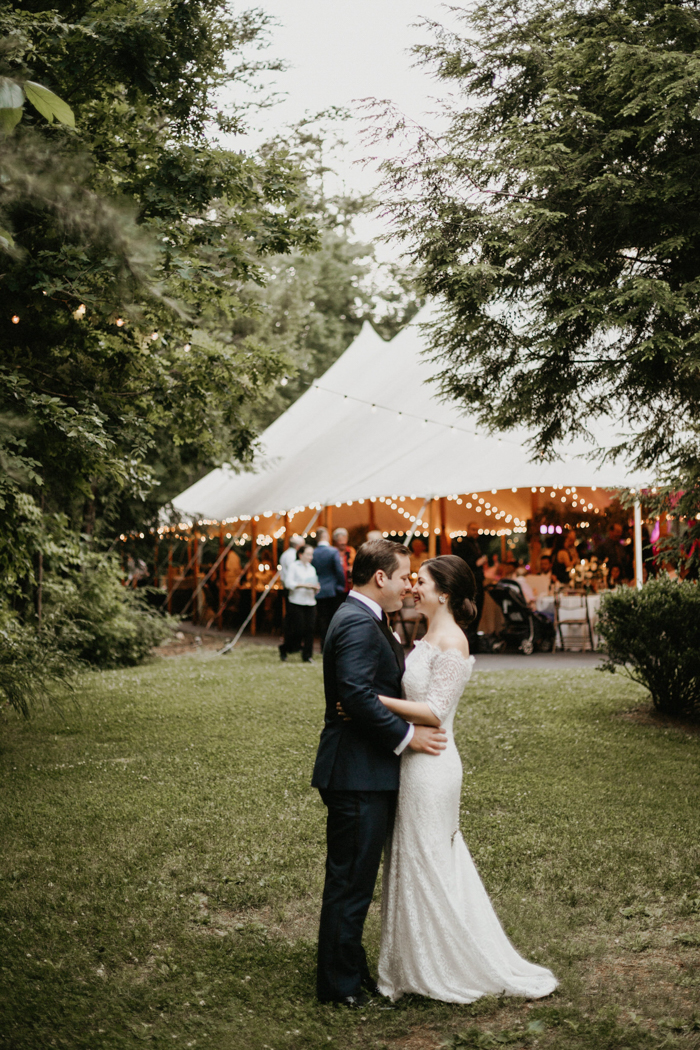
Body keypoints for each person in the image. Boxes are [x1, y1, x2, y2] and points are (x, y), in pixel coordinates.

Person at [373, 555, 558, 1004]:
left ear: (445, 594)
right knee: (411, 854)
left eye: (423, 582)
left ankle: (447, 962)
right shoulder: (425, 632)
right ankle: (412, 961)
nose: (414, 586)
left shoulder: (453, 642)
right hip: (414, 759)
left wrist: (372, 699)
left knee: (429, 854)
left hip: (433, 764)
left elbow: (435, 711)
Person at [312, 539, 449, 1007]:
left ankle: (347, 970)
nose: (410, 584)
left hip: (365, 772)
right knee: (350, 884)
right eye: (405, 575)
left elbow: (365, 692)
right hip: (355, 774)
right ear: (380, 578)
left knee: (355, 882)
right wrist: (409, 737)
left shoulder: (369, 619)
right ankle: (338, 986)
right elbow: (352, 693)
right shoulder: (355, 622)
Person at [279, 545, 319, 663]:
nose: (310, 557)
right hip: (297, 602)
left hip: (310, 602)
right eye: (308, 554)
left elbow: (314, 583)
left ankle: (307, 656)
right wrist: (303, 585)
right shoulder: (294, 566)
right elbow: (288, 583)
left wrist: (316, 588)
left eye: (311, 554)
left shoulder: (312, 568)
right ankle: (285, 648)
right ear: (301, 555)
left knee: (310, 629)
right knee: (298, 629)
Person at [312, 526, 346, 649]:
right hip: (332, 591)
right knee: (333, 619)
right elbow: (339, 571)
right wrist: (340, 586)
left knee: (322, 619)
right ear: (326, 536)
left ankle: (323, 645)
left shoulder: (313, 552)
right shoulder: (333, 552)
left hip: (318, 590)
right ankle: (332, 646)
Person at [333, 527, 355, 598]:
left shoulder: (351, 551)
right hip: (336, 586)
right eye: (340, 540)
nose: (343, 542)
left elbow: (356, 564)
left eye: (344, 539)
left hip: (349, 586)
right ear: (336, 541)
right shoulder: (333, 552)